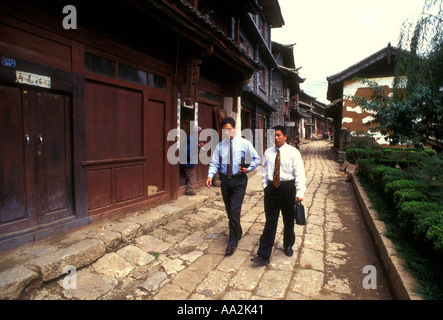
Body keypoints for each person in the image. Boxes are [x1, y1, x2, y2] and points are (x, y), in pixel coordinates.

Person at [251, 125, 306, 266]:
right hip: (271, 190)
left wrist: (300, 192)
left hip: (288, 189)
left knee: (288, 220)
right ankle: (263, 255)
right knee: (270, 222)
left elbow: (299, 172)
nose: (276, 138)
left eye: (278, 135)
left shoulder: (293, 153)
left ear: (285, 136)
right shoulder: (268, 152)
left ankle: (288, 245)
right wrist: (265, 186)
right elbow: (264, 170)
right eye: (274, 135)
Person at [206, 117, 261, 256]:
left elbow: (256, 158)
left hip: (239, 181)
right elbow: (214, 163)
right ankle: (238, 230)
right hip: (225, 181)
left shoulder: (244, 143)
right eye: (224, 130)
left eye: (229, 129)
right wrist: (210, 175)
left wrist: (249, 169)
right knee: (229, 210)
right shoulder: (220, 146)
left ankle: (232, 242)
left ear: (235, 128)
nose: (227, 132)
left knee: (235, 210)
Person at [181, 126, 203, 196]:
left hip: (184, 161)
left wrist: (198, 146)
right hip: (188, 162)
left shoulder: (192, 138)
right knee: (192, 177)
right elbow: (188, 150)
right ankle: (189, 191)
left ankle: (181, 188)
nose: (200, 134)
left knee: (183, 175)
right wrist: (191, 159)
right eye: (200, 132)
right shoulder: (192, 139)